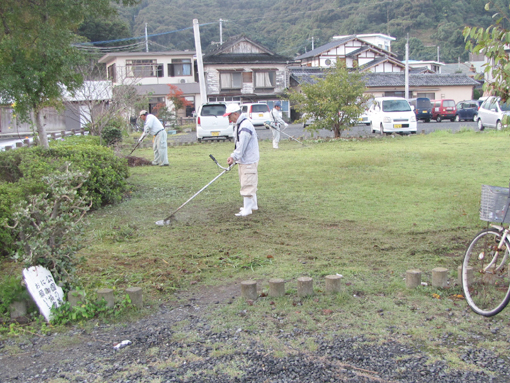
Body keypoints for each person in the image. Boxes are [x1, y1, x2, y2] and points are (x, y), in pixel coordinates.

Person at [224, 103, 260, 217]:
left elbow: (241, 147)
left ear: (235, 114)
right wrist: (234, 157)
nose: (229, 119)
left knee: (247, 184)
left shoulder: (245, 126)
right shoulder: (239, 125)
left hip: (248, 160)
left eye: (229, 116)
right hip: (245, 160)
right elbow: (238, 144)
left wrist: (233, 157)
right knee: (248, 181)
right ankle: (252, 205)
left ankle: (248, 209)